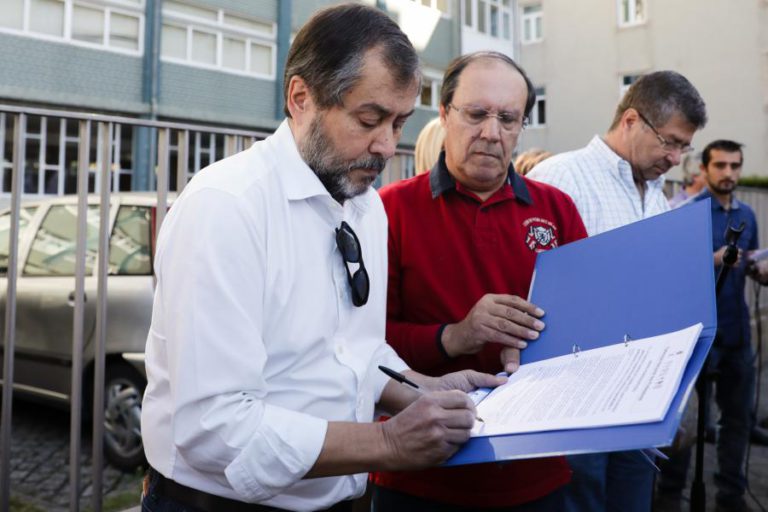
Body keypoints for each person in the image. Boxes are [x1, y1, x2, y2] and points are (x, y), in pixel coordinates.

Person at [140, 5, 505, 512]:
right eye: (368, 118)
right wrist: (388, 444)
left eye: (399, 122)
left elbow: (354, 353)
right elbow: (213, 428)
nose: (385, 146)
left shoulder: (366, 205)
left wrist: (424, 389)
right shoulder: (226, 206)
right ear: (300, 98)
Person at [371, 51, 588, 512]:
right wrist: (456, 336)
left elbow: (591, 327)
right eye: (476, 114)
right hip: (421, 475)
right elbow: (364, 344)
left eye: (508, 118)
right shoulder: (388, 211)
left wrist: (548, 345)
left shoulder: (558, 209)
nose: (492, 132)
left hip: (536, 467)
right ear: (445, 114)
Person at [528, 70, 708, 512]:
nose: (675, 157)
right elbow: (533, 291)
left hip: (639, 396)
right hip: (575, 404)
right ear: (631, 120)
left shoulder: (656, 194)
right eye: (669, 141)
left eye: (684, 147)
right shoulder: (560, 178)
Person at [657, 140, 768, 512]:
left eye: (735, 165)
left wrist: (757, 267)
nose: (729, 173)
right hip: (696, 336)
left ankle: (731, 496)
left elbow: (748, 258)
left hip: (737, 333)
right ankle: (671, 496)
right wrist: (713, 259)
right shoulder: (684, 212)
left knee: (736, 420)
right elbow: (668, 273)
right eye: (720, 165)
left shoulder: (747, 216)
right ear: (704, 169)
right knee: (687, 426)